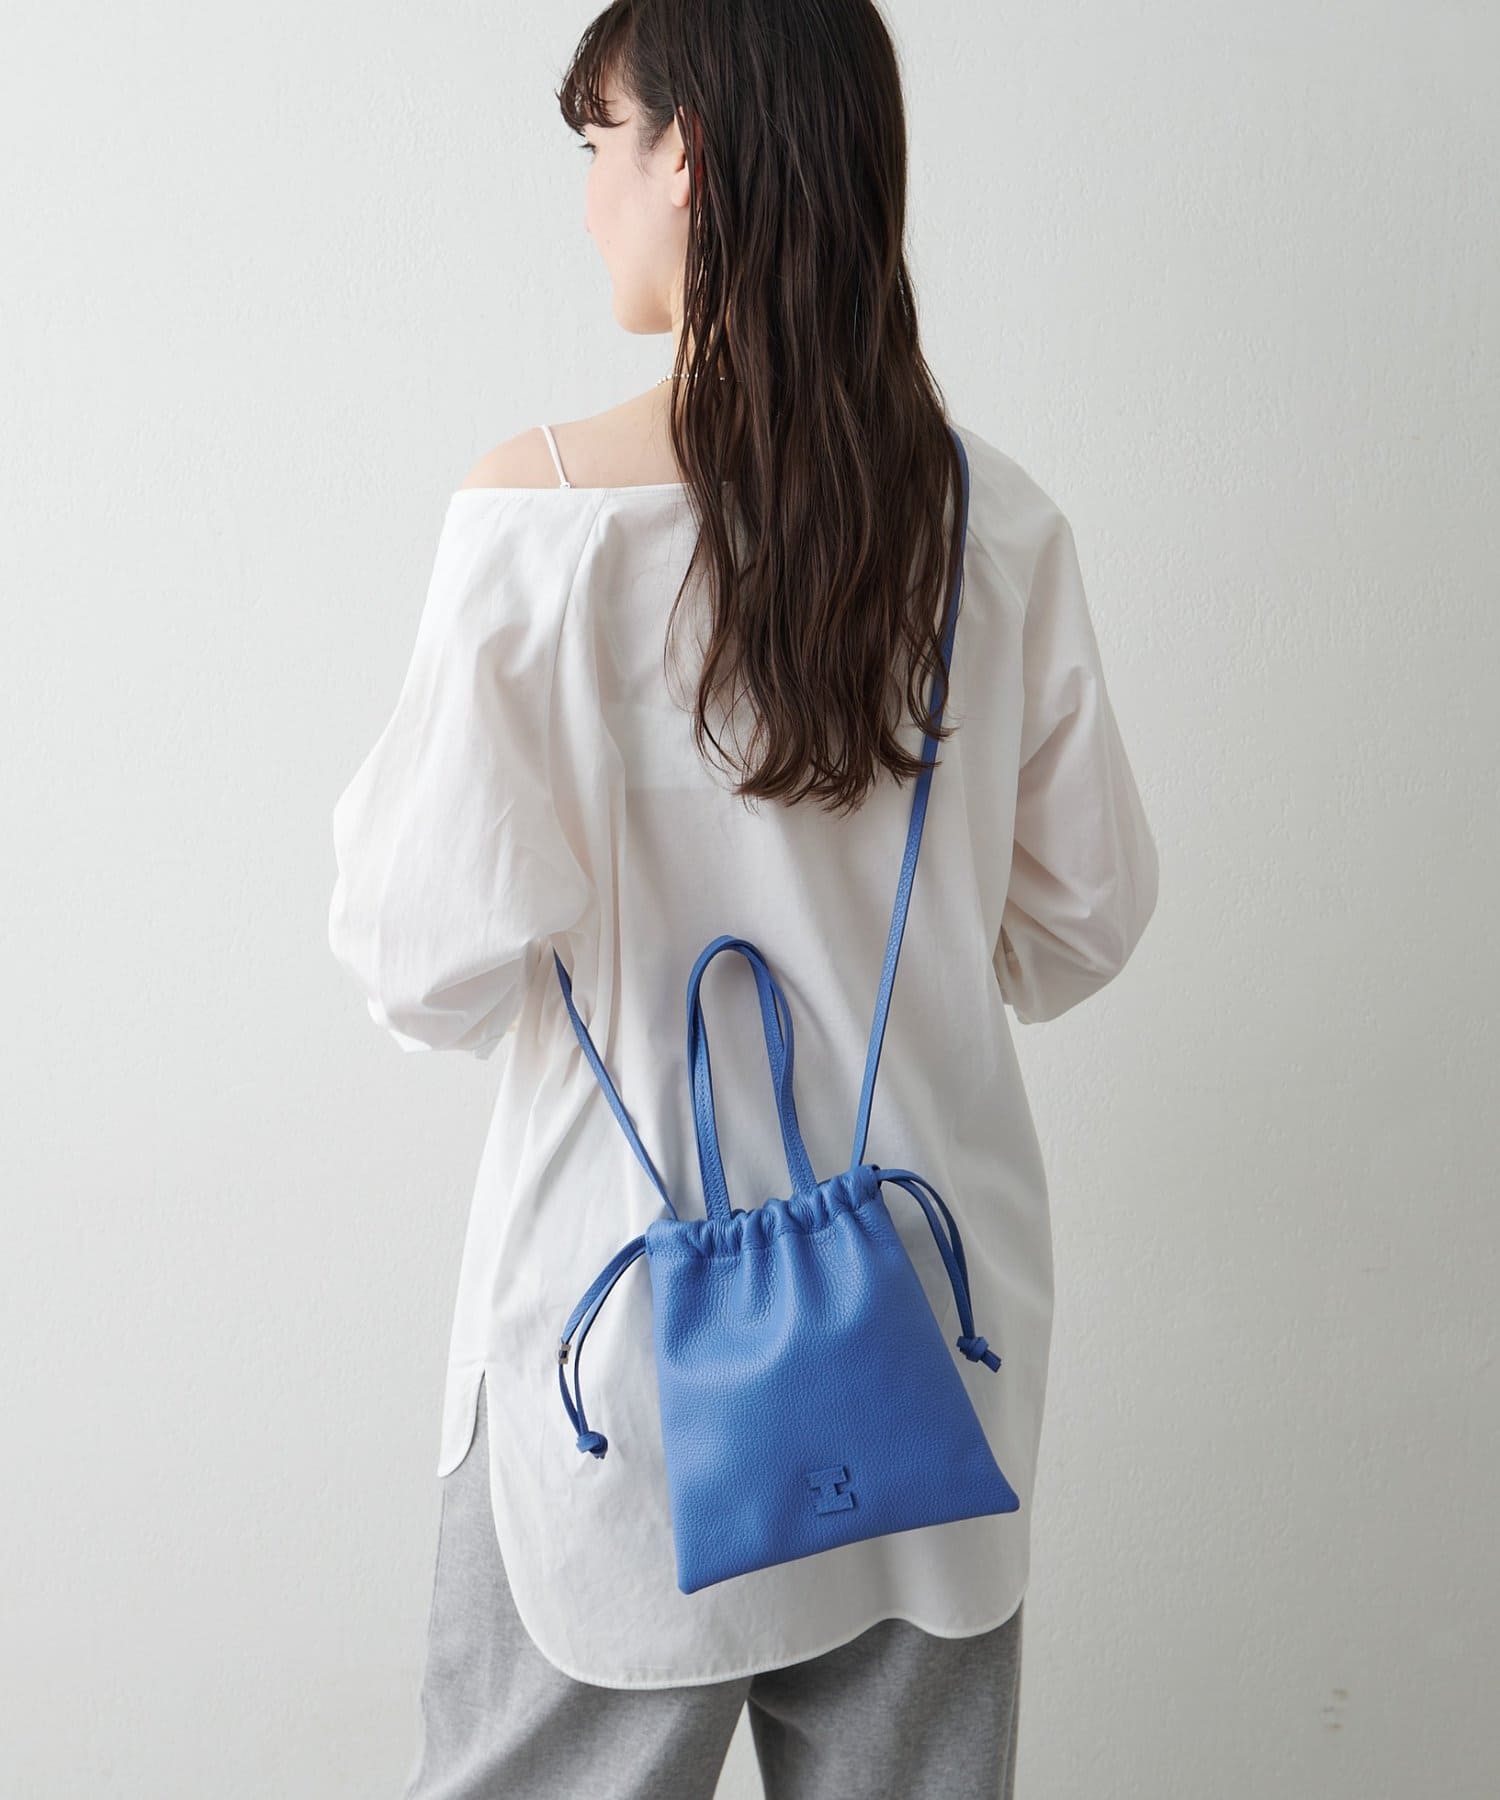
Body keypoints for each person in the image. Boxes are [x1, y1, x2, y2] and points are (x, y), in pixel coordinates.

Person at [326, 1, 1160, 1794]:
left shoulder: (541, 525)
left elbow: (418, 962)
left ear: (687, 156)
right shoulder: (995, 529)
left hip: (615, 1360)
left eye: (598, 144)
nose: (588, 199)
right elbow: (1082, 920)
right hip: (921, 1346)